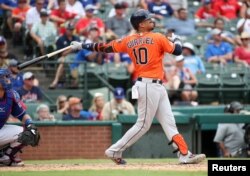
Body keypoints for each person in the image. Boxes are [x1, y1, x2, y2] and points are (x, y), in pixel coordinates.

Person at [70, 9, 206, 164]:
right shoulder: (157, 37)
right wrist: (176, 39)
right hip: (148, 85)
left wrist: (82, 45)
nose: (152, 21)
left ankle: (184, 154)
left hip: (154, 86)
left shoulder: (129, 40)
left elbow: (105, 47)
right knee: (143, 125)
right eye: (148, 20)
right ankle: (114, 150)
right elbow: (178, 50)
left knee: (169, 123)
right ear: (141, 24)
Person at [0, 68, 40, 166]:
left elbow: (22, 114)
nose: (7, 80)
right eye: (3, 78)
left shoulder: (11, 95)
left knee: (29, 133)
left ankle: (6, 158)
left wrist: (30, 123)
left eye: (7, 77)